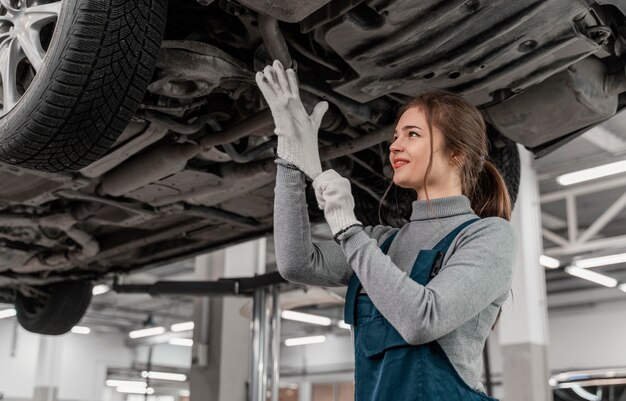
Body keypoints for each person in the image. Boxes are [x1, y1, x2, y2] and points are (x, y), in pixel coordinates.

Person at [256, 60, 517, 401]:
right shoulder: (383, 242)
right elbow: (296, 263)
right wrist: (290, 162)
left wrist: (347, 227)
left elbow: (422, 319)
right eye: (395, 135)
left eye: (412, 134)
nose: (394, 145)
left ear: (455, 154)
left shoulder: (488, 236)